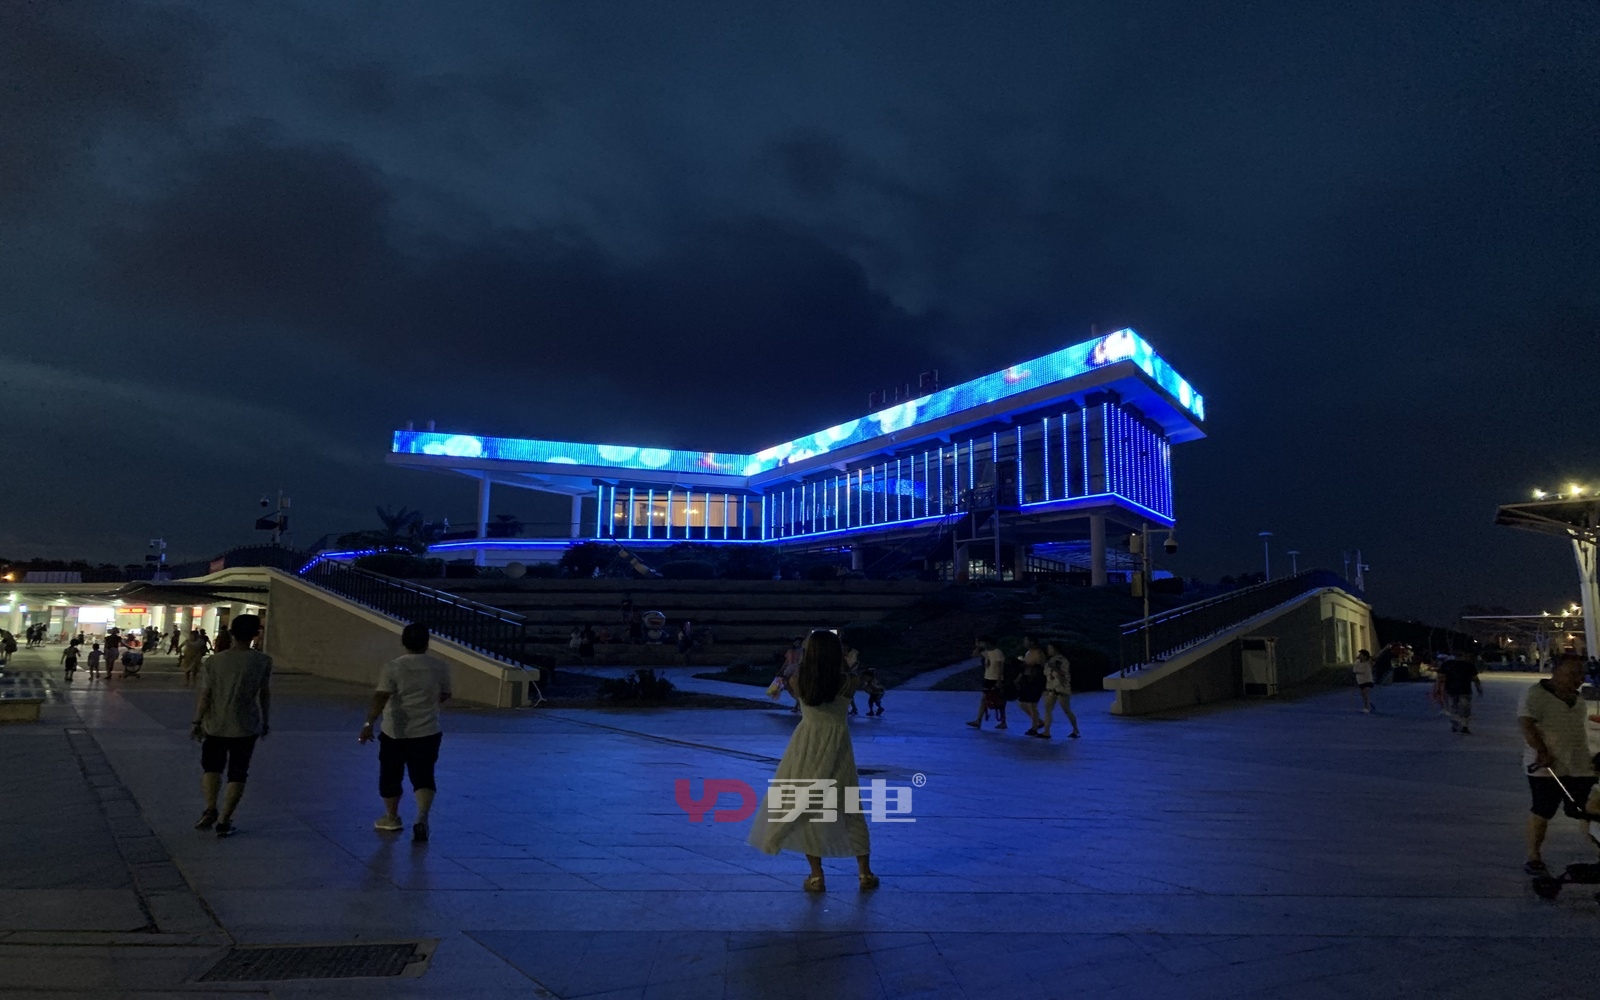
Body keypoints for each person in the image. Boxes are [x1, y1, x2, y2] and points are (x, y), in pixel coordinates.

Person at [747, 630, 878, 892]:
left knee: (805, 803)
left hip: (806, 744)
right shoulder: (849, 681)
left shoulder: (798, 679)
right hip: (838, 746)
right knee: (850, 807)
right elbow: (847, 682)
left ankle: (817, 876)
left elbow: (798, 694)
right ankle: (865, 872)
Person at [359, 622, 452, 843]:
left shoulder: (393, 667)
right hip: (428, 729)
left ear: (403, 642)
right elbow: (445, 694)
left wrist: (368, 723)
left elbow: (381, 696)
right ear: (427, 642)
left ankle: (392, 817)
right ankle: (422, 816)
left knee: (391, 774)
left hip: (395, 731)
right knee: (423, 775)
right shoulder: (440, 666)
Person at [190, 615, 272, 838]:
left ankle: (210, 808)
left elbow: (206, 695)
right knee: (238, 772)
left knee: (212, 767)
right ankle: (225, 821)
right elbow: (264, 693)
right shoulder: (263, 661)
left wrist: (197, 721)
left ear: (232, 634)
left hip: (215, 724)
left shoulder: (214, 662)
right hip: (245, 725)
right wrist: (265, 720)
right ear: (255, 634)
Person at [1518, 655, 1600, 875]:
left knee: (1590, 809)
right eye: (1573, 673)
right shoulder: (1535, 694)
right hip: (1547, 767)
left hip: (1579, 765)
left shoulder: (1576, 698)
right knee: (1543, 810)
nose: (1579, 678)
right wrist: (1542, 751)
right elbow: (1526, 724)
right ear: (1556, 672)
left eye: (1581, 674)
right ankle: (1533, 857)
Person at [1038, 641, 1079, 739]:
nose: (1048, 650)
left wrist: (1055, 668)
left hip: (1061, 689)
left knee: (1066, 709)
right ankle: (1046, 731)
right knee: (1048, 709)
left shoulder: (1063, 661)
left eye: (1050, 648)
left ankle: (1075, 729)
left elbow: (1064, 675)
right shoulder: (1049, 661)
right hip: (1050, 688)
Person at [1436, 655, 1484, 734]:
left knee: (1454, 707)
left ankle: (1455, 724)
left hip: (1451, 689)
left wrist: (1438, 688)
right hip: (1465, 690)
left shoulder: (1447, 664)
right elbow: (1475, 678)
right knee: (1465, 709)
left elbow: (1440, 677)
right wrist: (1479, 688)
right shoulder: (1468, 665)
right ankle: (1464, 725)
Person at [968, 637, 1007, 729]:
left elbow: (1000, 668)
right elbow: (974, 654)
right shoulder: (987, 652)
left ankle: (1003, 721)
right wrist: (978, 647)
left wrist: (999, 680)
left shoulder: (997, 652)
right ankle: (978, 720)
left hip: (995, 679)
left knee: (999, 700)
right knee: (984, 699)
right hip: (988, 678)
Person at [1017, 638, 1046, 735]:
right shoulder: (1028, 652)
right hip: (1027, 679)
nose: (1025, 643)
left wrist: (1032, 664)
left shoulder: (1039, 652)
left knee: (1032, 704)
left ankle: (1034, 727)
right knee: (1022, 703)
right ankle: (1038, 721)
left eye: (1026, 640)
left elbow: (1042, 665)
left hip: (1035, 680)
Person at [778, 638, 804, 713]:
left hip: (797, 671)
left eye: (799, 643)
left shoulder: (802, 651)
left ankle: (797, 705)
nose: (797, 644)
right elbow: (786, 662)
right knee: (789, 686)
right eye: (796, 642)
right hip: (788, 671)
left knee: (797, 688)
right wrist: (781, 670)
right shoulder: (790, 651)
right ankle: (798, 704)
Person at [1352, 649, 1376, 713]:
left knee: (1366, 694)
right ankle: (1368, 705)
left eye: (1361, 654)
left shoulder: (1368, 663)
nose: (1359, 655)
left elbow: (1365, 671)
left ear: (1365, 656)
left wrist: (1358, 671)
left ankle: (1367, 707)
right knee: (1363, 695)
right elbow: (1354, 670)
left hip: (1367, 681)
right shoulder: (1357, 663)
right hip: (1360, 681)